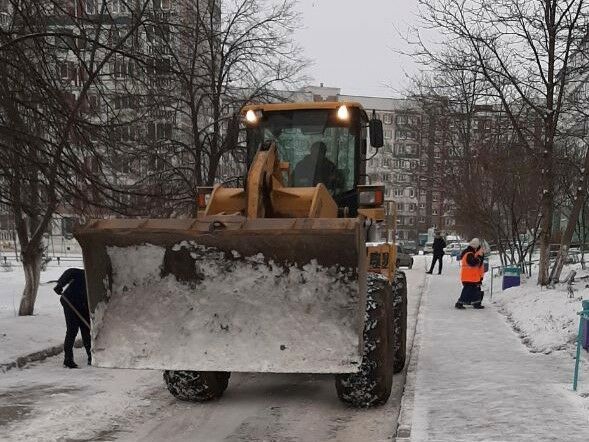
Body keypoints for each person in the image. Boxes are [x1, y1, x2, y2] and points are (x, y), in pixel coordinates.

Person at [54, 268, 91, 368]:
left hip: (84, 305)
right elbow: (70, 272)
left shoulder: (99, 282)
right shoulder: (84, 274)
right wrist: (60, 285)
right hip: (70, 302)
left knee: (86, 330)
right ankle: (68, 359)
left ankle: (91, 357)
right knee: (72, 329)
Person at [455, 238, 485, 309]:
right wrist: (479, 257)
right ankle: (460, 303)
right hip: (469, 276)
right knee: (468, 290)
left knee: (475, 290)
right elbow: (473, 263)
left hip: (471, 276)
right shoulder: (469, 253)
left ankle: (476, 303)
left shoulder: (469, 252)